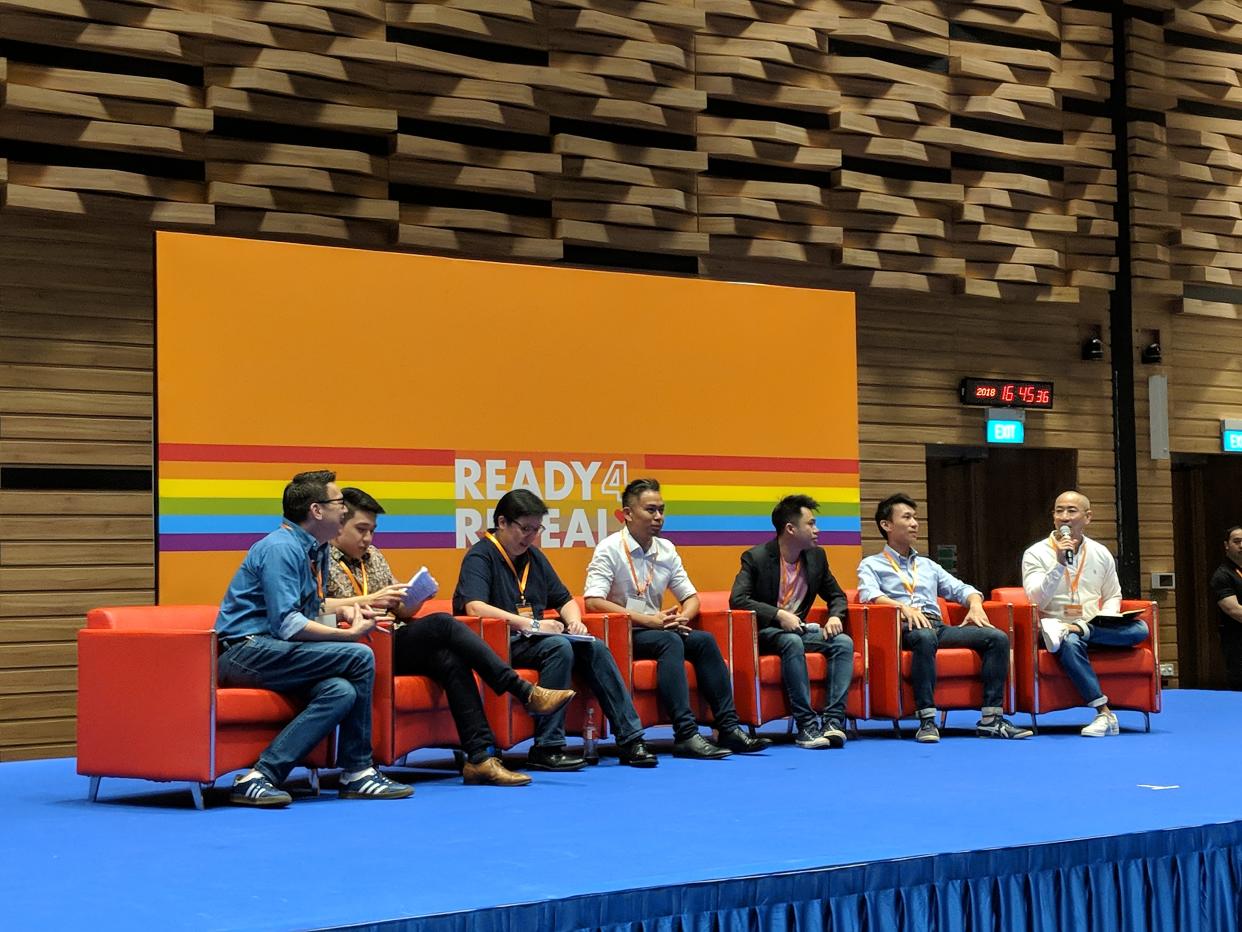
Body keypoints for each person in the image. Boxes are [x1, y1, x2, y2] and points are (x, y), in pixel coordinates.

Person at [323, 487, 575, 786]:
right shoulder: (321, 559)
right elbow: (315, 607)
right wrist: (362, 604)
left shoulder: (373, 557)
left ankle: (480, 757)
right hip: (362, 644)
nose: (368, 539)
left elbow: (401, 611)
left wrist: (415, 597)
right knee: (443, 623)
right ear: (339, 526)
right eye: (361, 530)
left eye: (372, 531)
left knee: (451, 659)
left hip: (395, 637)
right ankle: (522, 691)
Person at [213, 470, 413, 806]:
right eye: (339, 505)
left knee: (340, 690)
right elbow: (288, 624)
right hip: (244, 651)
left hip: (275, 649)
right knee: (360, 655)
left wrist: (344, 613)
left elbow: (308, 610)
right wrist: (346, 635)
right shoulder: (281, 548)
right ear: (316, 511)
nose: (345, 512)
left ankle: (259, 776)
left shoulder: (314, 549)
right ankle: (358, 771)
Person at [452, 489, 657, 770]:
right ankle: (548, 747)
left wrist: (575, 621)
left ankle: (631, 739)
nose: (530, 536)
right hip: (498, 643)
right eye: (525, 529)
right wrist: (534, 624)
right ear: (502, 523)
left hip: (534, 639)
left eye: (536, 529)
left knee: (592, 645)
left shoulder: (534, 558)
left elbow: (564, 599)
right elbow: (474, 608)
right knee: (557, 647)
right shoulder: (481, 556)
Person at [584, 478, 770, 758]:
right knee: (670, 642)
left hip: (660, 627)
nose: (658, 517)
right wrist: (649, 621)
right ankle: (686, 734)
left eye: (661, 510)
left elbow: (691, 597)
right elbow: (593, 601)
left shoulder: (666, 549)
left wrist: (682, 618)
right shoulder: (609, 549)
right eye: (650, 510)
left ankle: (729, 727)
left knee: (704, 640)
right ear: (628, 513)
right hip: (626, 632)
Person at [857, 493, 1031, 743]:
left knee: (997, 637)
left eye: (915, 517)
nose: (915, 523)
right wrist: (902, 608)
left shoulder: (928, 565)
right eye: (907, 517)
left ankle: (991, 719)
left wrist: (975, 604)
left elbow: (963, 589)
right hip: (901, 629)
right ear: (887, 525)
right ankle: (927, 720)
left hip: (937, 625)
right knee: (924, 637)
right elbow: (868, 595)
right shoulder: (872, 564)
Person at [729, 494, 855, 750]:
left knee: (842, 642)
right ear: (790, 528)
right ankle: (806, 725)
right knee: (790, 641)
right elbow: (738, 599)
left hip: (799, 631)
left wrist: (834, 616)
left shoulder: (816, 557)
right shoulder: (757, 558)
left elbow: (837, 596)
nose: (817, 530)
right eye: (811, 524)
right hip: (766, 633)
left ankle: (832, 722)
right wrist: (777, 614)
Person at [1022, 490, 1149, 737]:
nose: (1064, 517)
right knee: (1067, 640)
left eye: (1072, 511)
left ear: (1087, 517)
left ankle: (1083, 629)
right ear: (1053, 518)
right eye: (1059, 511)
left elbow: (1113, 594)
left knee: (1140, 629)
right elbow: (1035, 599)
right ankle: (1104, 713)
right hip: (1054, 628)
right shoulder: (1036, 553)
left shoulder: (1100, 553)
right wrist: (1059, 564)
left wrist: (1109, 618)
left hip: (1094, 627)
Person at [1209, 525, 1242, 690]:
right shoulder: (1222, 575)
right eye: (1237, 541)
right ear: (1227, 545)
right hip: (1237, 641)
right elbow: (1234, 610)